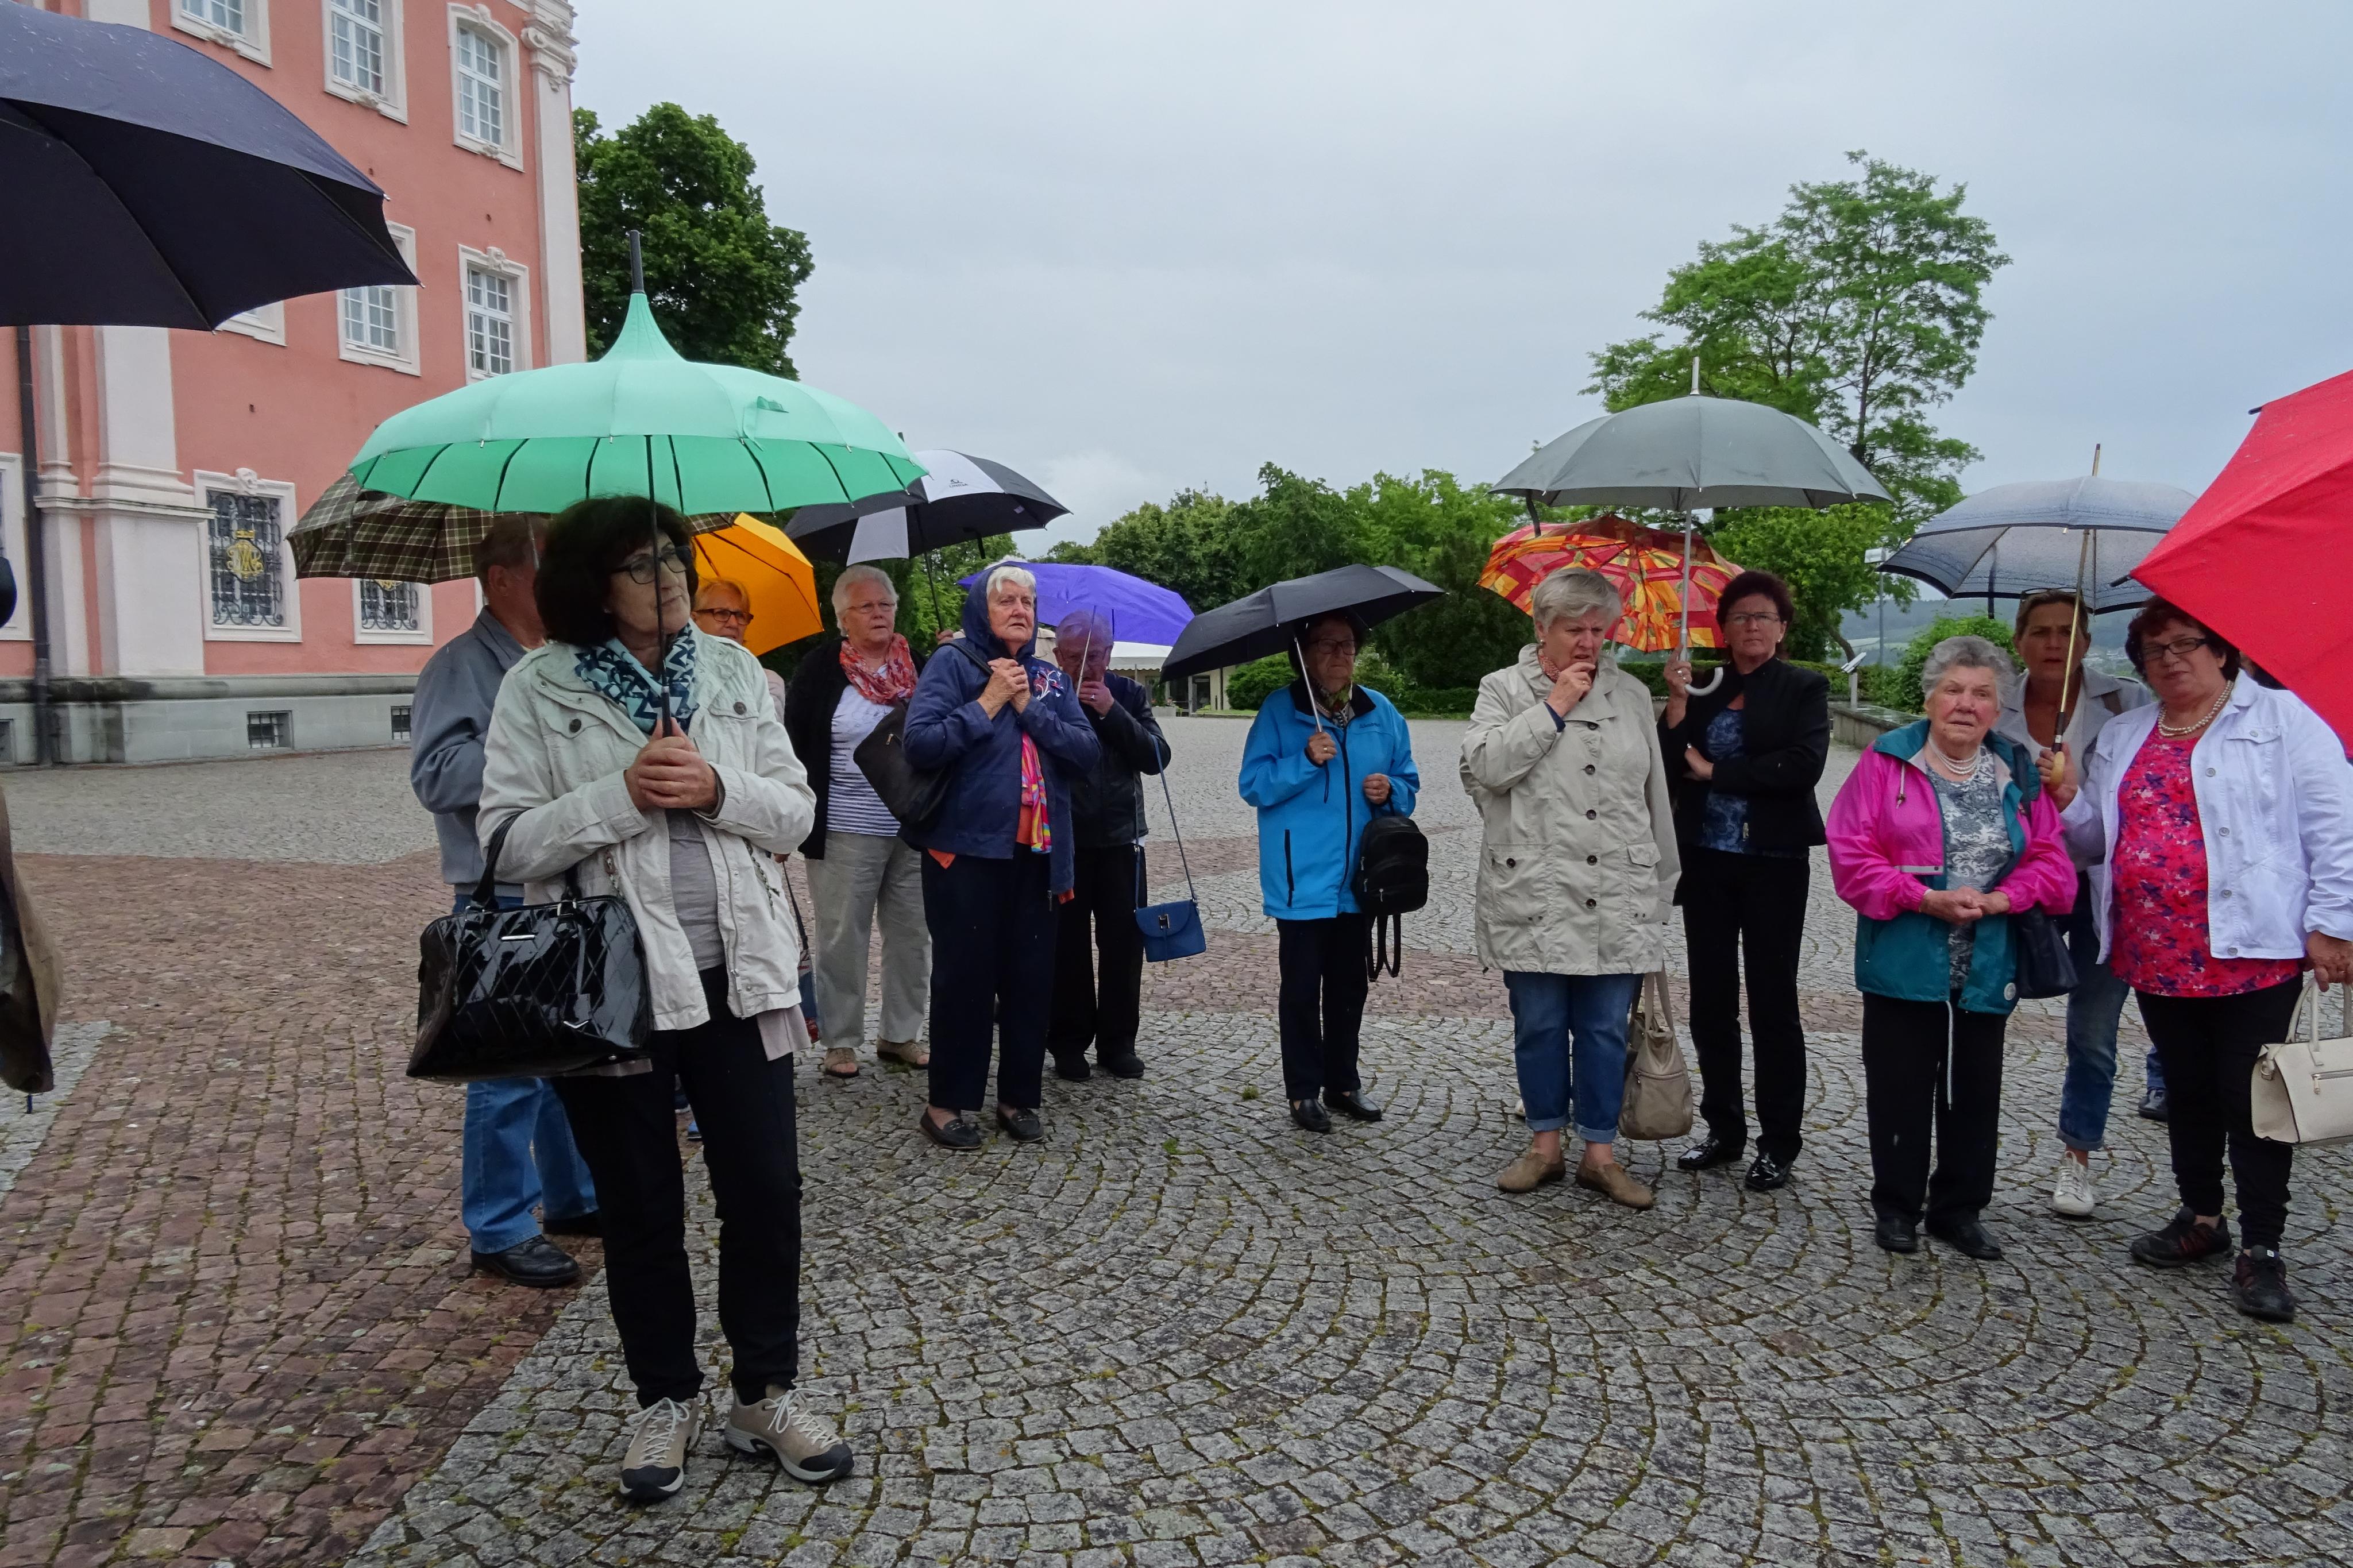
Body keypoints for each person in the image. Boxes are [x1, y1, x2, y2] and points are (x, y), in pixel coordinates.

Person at [477, 497, 851, 1501]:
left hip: (742, 974)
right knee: (640, 1202)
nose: (672, 578)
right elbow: (505, 842)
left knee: (765, 1190)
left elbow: (796, 812)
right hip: (617, 987)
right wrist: (622, 794)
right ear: (594, 584)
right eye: (644, 565)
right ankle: (665, 1397)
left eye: (676, 559)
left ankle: (763, 1392)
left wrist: (715, 786)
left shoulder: (734, 672)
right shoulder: (538, 685)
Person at [2050, 600, 2353, 1323]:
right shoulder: (2125, 733)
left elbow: (2335, 826)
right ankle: (2201, 1218)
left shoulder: (2284, 721)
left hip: (2252, 950)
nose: (2170, 660)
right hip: (2155, 949)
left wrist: (2332, 925)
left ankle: (2263, 1248)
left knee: (2252, 1103)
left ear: (2221, 650)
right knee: (2185, 1092)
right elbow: (2093, 841)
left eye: (2185, 644)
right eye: (2153, 652)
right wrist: (2065, 797)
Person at [1825, 636, 2076, 1261]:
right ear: (1929, 698)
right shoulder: (1886, 761)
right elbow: (1851, 855)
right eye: (1953, 690)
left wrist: (2004, 899)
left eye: (1982, 694)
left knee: (1976, 1088)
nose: (1966, 704)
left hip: (1988, 955)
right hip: (1905, 950)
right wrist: (1921, 897)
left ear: (1998, 708)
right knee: (1900, 1083)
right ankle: (1897, 1206)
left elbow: (2051, 861)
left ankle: (1959, 1210)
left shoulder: (2018, 769)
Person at [409, 515, 596, 1289]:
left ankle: (573, 1196)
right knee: (507, 1066)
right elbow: (435, 774)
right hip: (500, 892)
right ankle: (498, 1226)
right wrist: (531, 749)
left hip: (561, 880)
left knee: (567, 1050)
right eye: (546, 569)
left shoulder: (558, 660)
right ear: (502, 579)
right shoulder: (461, 664)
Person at [1463, 568, 1679, 1207]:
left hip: (1619, 890)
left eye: (1598, 629)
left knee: (1606, 1028)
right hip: (1535, 889)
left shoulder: (1631, 695)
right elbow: (1485, 768)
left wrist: (1661, 887)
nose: (1589, 642)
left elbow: (1655, 799)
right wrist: (1552, 706)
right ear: (1541, 628)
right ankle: (1544, 1147)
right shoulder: (1503, 689)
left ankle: (1600, 1156)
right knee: (1538, 1023)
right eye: (1573, 629)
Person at [902, 565, 1100, 1148]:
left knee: (1030, 980)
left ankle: (1018, 1097)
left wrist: (1028, 707)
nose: (1019, 610)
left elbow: (1086, 751)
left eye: (1027, 602)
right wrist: (988, 702)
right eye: (1006, 600)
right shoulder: (953, 664)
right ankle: (947, 1103)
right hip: (964, 853)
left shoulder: (1049, 679)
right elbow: (921, 743)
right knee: (964, 979)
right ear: (981, 612)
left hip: (1037, 855)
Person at [1656, 569, 1828, 1193]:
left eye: (1764, 617)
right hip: (1707, 859)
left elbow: (1802, 766)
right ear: (1722, 629)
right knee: (1711, 1001)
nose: (1752, 626)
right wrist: (1677, 707)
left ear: (1782, 629)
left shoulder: (1804, 687)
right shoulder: (1704, 685)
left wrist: (1718, 772)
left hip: (1773, 861)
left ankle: (1779, 1140)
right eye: (1740, 617)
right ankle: (1724, 1128)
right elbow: (1668, 765)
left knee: (1773, 1002)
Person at [1992, 589, 2161, 1221]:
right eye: (2041, 631)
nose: (2054, 644)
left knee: (2092, 1034)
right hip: (2020, 885)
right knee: (1981, 1014)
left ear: (2087, 642)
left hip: (2100, 888)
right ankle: (1963, 1152)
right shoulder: (1994, 705)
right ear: (2019, 641)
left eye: (2068, 632)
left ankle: (2077, 1157)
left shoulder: (2128, 704)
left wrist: (2073, 791)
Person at [1239, 611, 1420, 1133]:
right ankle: (1302, 1090)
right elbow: (1254, 785)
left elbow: (1409, 780)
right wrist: (1304, 760)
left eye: (1348, 645)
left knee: (1348, 988)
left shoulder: (1380, 711)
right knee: (1301, 990)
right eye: (1328, 645)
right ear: (1304, 653)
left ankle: (1342, 1082)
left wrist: (1391, 790)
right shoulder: (1280, 711)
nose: (1341, 654)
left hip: (1360, 880)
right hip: (1301, 878)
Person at [782, 565, 931, 1080]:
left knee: (913, 934)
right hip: (844, 824)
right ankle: (841, 1040)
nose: (878, 614)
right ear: (843, 618)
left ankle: (901, 1034)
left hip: (912, 824)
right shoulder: (820, 669)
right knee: (842, 935)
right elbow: (794, 743)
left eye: (885, 605)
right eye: (866, 606)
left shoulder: (922, 665)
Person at [1046, 608, 1172, 1082]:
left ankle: (1119, 1042)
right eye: (1073, 657)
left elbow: (1157, 757)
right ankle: (1068, 1041)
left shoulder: (1129, 693)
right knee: (1067, 946)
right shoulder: (1047, 692)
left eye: (1094, 656)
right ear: (1058, 655)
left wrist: (1111, 711)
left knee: (1123, 945)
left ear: (1110, 653)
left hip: (1121, 838)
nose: (1084, 667)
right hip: (1066, 840)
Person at [693, 577, 788, 723]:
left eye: (741, 616)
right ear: (694, 620)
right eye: (721, 613)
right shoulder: (674, 674)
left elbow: (768, 734)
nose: (734, 623)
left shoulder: (766, 682)